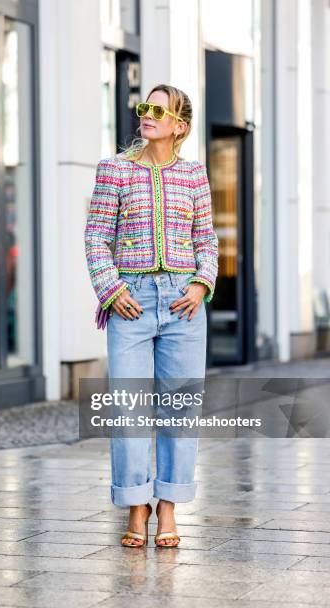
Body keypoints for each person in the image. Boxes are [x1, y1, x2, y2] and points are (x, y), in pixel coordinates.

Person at [84, 84, 218, 547]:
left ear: (179, 125)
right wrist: (111, 289)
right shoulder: (114, 170)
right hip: (131, 300)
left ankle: (168, 507)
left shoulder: (195, 175)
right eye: (143, 107)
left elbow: (207, 242)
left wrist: (202, 284)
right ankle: (136, 506)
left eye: (158, 109)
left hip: (184, 301)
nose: (147, 114)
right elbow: (97, 236)